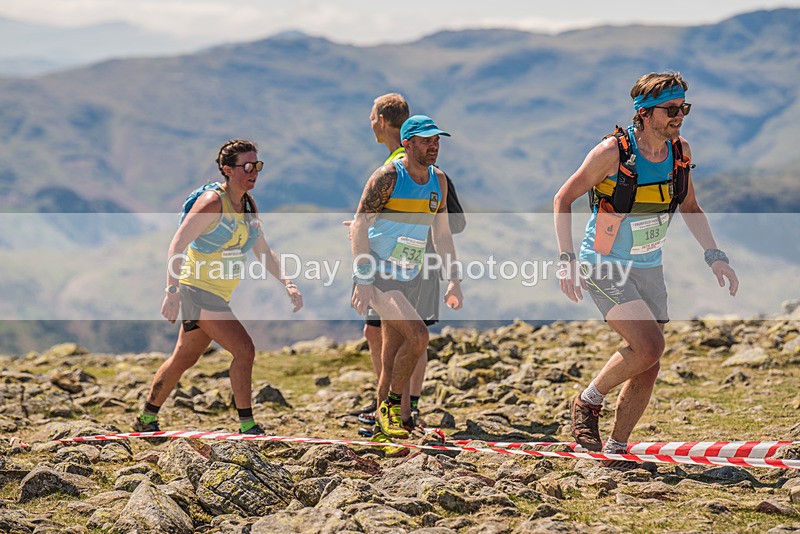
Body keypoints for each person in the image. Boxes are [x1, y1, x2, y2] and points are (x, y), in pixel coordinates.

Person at [553, 72, 739, 466]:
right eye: (671, 110)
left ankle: (617, 449)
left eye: (683, 109)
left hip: (649, 267)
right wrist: (566, 259)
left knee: (648, 363)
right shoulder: (611, 153)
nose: (679, 117)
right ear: (643, 113)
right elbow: (562, 198)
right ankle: (587, 401)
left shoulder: (680, 151)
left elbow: (689, 207)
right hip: (603, 264)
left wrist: (715, 255)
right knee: (650, 346)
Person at [134, 139, 303, 439]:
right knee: (244, 349)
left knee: (184, 358)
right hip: (196, 289)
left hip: (217, 293)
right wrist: (171, 292)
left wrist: (287, 283)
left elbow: (263, 251)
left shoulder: (248, 206)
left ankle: (146, 417)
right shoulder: (212, 202)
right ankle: (248, 425)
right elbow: (177, 244)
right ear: (228, 170)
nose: (254, 172)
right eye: (247, 167)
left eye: (257, 166)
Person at [351, 93, 465, 431]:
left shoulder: (438, 182)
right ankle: (390, 410)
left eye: (436, 141)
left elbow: (442, 236)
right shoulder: (387, 176)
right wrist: (363, 278)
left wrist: (454, 279)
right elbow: (359, 224)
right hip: (381, 275)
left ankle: (387, 425)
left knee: (391, 354)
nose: (433, 146)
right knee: (417, 337)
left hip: (411, 274)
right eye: (426, 141)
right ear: (407, 143)